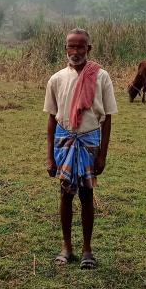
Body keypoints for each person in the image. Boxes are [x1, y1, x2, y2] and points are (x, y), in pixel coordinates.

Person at [44, 28, 117, 269]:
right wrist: (50, 157)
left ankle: (87, 249)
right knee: (65, 193)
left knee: (86, 194)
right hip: (64, 142)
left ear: (89, 48)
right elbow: (52, 120)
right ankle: (67, 247)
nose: (75, 51)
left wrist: (103, 155)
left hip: (89, 141)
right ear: (65, 49)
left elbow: (107, 118)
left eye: (80, 46)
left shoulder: (101, 77)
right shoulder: (56, 79)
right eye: (71, 46)